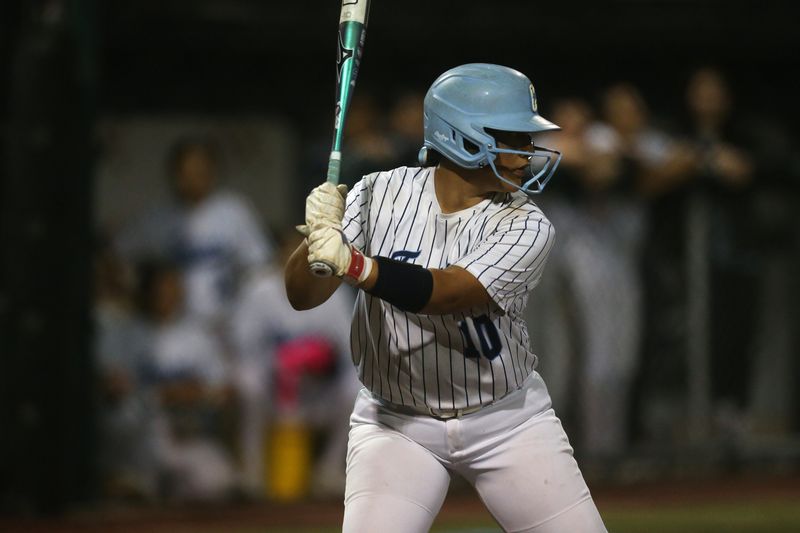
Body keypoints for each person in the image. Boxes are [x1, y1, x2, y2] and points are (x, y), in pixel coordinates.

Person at [285, 64, 607, 533]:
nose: (528, 153)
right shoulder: (377, 193)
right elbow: (302, 295)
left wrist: (354, 264)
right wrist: (318, 236)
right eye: (514, 137)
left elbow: (448, 293)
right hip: (394, 422)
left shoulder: (529, 224)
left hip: (506, 421)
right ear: (462, 138)